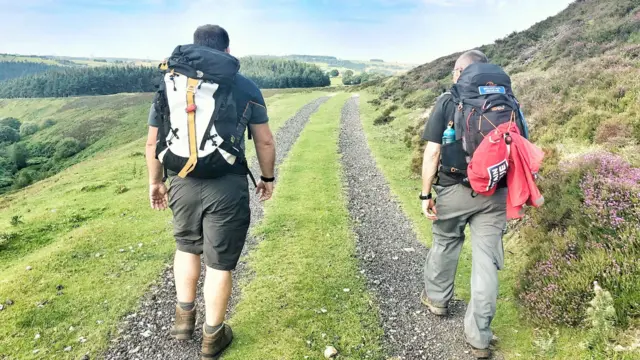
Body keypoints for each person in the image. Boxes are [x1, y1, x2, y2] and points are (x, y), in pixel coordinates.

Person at [145, 24, 276, 360]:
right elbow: (263, 139)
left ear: (194, 47)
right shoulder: (244, 84)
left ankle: (183, 321)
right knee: (219, 264)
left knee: (187, 248)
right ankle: (212, 337)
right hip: (228, 185)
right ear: (227, 51)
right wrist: (267, 177)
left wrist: (156, 182)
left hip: (182, 181)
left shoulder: (172, 82)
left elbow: (152, 141)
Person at [419, 50, 508, 359]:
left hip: (454, 188)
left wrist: (425, 193)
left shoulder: (448, 99)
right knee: (487, 260)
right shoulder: (507, 100)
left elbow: (432, 153)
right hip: (496, 191)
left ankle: (438, 300)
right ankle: (480, 338)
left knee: (445, 241)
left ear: (458, 72)